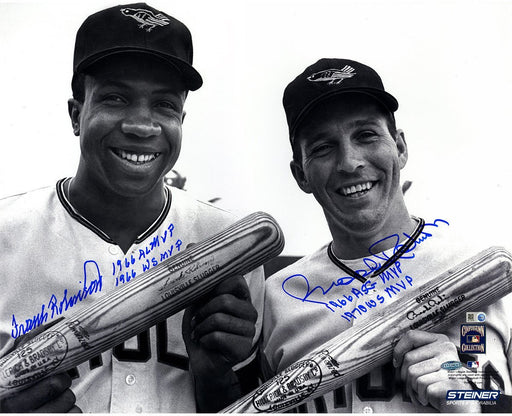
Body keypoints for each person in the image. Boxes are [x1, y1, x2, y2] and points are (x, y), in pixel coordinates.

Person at [0, 3, 263, 413]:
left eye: (164, 105)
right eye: (116, 98)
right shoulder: (5, 234)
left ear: (182, 118)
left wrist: (216, 377)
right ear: (76, 114)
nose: (142, 125)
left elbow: (244, 403)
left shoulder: (229, 245)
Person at [261, 58, 512, 413]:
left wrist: (471, 399)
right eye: (323, 147)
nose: (350, 162)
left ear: (400, 147)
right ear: (300, 174)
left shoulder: (486, 270)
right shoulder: (277, 299)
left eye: (366, 135)